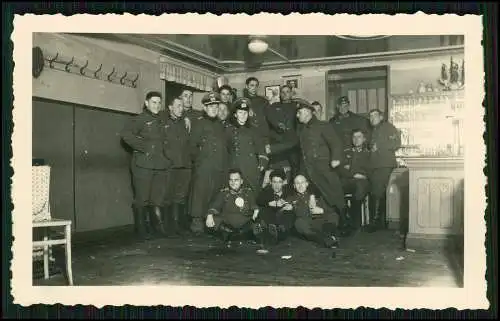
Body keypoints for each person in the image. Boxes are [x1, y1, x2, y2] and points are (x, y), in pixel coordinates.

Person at [121, 91, 171, 240]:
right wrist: (143, 147)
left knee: (157, 198)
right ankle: (141, 230)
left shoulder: (162, 119)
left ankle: (158, 228)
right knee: (142, 198)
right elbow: (126, 134)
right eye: (153, 102)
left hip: (160, 165)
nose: (156, 105)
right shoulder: (140, 119)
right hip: (143, 164)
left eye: (159, 102)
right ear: (147, 103)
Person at [295, 98, 348, 234]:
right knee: (315, 198)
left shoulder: (323, 126)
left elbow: (336, 143)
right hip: (310, 170)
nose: (297, 115)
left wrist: (336, 159)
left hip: (325, 168)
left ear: (307, 112)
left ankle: (344, 224)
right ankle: (325, 224)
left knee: (335, 195)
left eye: (299, 112)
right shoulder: (302, 130)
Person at [188, 92, 229, 234]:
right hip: (204, 166)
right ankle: (197, 223)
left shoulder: (221, 125)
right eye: (210, 106)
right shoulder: (199, 123)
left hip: (219, 167)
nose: (214, 109)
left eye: (216, 106)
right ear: (205, 108)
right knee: (200, 194)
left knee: (215, 194)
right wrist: (200, 161)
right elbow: (192, 146)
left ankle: (211, 224)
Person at [205, 169, 266, 246]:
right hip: (228, 225)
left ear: (241, 181)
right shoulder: (224, 193)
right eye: (231, 180)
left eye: (236, 180)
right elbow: (215, 206)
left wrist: (256, 211)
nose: (233, 182)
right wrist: (210, 215)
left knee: (259, 219)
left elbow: (254, 205)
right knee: (214, 219)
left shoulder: (248, 192)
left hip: (245, 224)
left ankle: (242, 235)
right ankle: (233, 236)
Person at [366, 108, 402, 233]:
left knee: (376, 192)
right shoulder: (374, 130)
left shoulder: (388, 127)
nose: (372, 118)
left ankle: (375, 223)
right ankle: (379, 222)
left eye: (375, 116)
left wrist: (379, 146)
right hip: (375, 166)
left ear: (381, 117)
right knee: (377, 192)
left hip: (384, 165)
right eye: (370, 116)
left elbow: (397, 143)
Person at [162, 95, 193, 235]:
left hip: (185, 166)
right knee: (168, 196)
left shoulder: (185, 123)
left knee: (181, 196)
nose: (181, 109)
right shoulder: (163, 122)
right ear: (170, 107)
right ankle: (168, 227)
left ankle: (178, 225)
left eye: (182, 106)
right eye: (178, 106)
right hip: (171, 166)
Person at [225, 98, 269, 194]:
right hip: (235, 167)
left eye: (245, 113)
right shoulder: (228, 130)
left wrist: (262, 164)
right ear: (235, 114)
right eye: (240, 112)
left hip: (251, 167)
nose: (243, 115)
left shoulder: (254, 129)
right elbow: (225, 149)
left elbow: (261, 148)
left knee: (253, 194)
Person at [286, 175, 340, 248]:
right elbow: (296, 213)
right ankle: (327, 239)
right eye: (297, 183)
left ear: (307, 184)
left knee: (333, 215)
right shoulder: (291, 199)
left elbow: (329, 210)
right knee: (299, 223)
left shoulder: (316, 195)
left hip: (321, 222)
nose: (300, 185)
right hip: (308, 224)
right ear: (294, 186)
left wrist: (322, 210)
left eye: (302, 182)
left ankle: (328, 235)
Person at [265, 85, 301, 181]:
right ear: (280, 94)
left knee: (295, 168)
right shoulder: (274, 106)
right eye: (283, 92)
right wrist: (277, 125)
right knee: (277, 170)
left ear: (291, 93)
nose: (285, 94)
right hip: (278, 142)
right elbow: (270, 117)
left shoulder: (297, 106)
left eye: (287, 91)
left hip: (293, 143)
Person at [338, 129, 371, 232]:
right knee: (335, 187)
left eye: (359, 137)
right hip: (347, 181)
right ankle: (343, 219)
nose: (356, 139)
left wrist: (352, 170)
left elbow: (370, 170)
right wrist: (354, 173)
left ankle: (354, 222)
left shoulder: (369, 154)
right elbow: (341, 169)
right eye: (354, 137)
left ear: (364, 139)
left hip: (362, 182)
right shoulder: (346, 153)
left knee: (359, 188)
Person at [256, 168, 295, 244]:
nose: (277, 185)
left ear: (283, 182)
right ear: (270, 182)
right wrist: (269, 203)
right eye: (274, 182)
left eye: (279, 182)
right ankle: (268, 231)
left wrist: (290, 205)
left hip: (283, 219)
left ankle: (278, 232)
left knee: (289, 213)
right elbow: (258, 200)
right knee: (264, 210)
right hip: (271, 219)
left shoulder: (288, 191)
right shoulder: (267, 191)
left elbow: (296, 199)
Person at [242, 77, 271, 145]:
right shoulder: (242, 101)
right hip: (247, 135)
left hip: (262, 134)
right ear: (246, 86)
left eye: (256, 86)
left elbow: (269, 118)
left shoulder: (263, 101)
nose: (254, 88)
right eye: (252, 85)